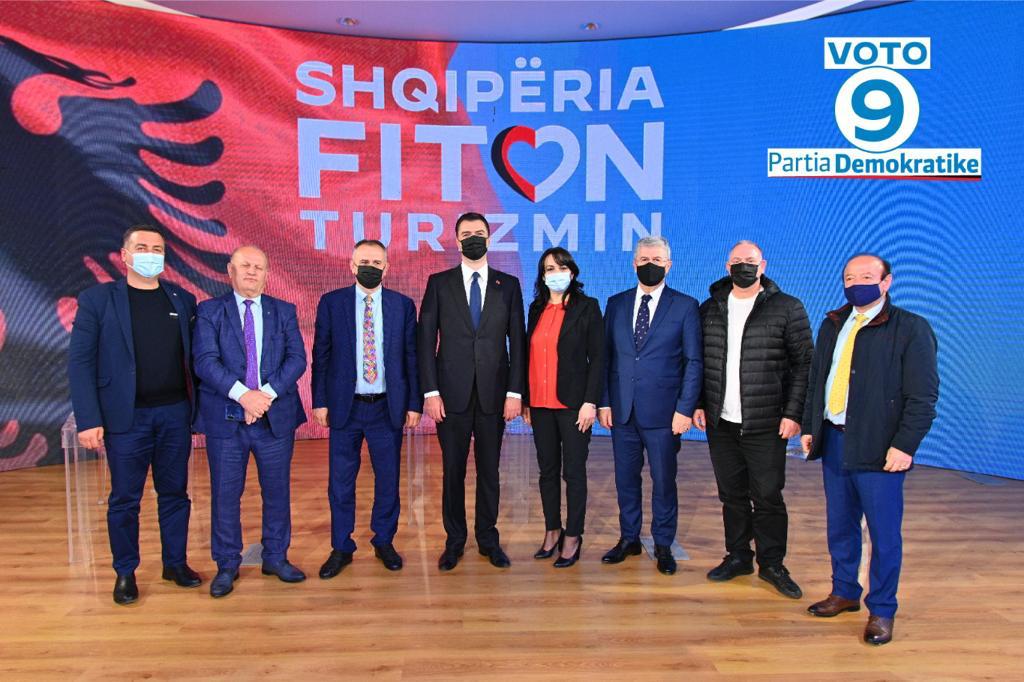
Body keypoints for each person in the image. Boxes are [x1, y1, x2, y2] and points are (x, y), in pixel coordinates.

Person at [801, 254, 938, 645]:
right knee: (840, 525)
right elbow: (818, 378)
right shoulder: (833, 323)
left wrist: (904, 445)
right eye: (849, 277)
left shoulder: (911, 328)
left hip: (880, 448)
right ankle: (844, 591)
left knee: (883, 533)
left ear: (886, 282)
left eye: (865, 276)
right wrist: (812, 426)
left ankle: (882, 609)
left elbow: (923, 396)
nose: (856, 283)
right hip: (834, 439)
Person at [68, 225, 201, 605]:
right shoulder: (97, 300)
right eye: (142, 247)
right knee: (125, 498)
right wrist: (89, 418)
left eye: (157, 249)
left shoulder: (183, 299)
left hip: (174, 414)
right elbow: (80, 362)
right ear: (125, 256)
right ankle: (125, 572)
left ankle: (175, 563)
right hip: (126, 420)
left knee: (175, 494)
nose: (150, 254)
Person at [693, 241, 813, 598]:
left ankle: (772, 563)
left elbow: (804, 364)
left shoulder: (787, 307)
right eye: (737, 261)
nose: (743, 266)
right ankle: (738, 556)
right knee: (731, 494)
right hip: (721, 422)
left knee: (767, 496)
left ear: (763, 265)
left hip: (767, 422)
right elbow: (699, 361)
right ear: (727, 266)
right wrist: (699, 403)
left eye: (750, 261)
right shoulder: (710, 308)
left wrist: (794, 413)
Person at [193, 245, 308, 598]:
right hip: (227, 420)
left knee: (277, 492)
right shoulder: (210, 311)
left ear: (267, 274)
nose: (252, 272)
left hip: (274, 419)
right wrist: (244, 396)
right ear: (230, 270)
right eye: (245, 265)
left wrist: (264, 396)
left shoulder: (284, 311)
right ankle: (227, 564)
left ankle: (275, 557)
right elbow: (205, 361)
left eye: (259, 267)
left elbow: (297, 359)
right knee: (226, 495)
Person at [418, 212, 526, 571]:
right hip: (450, 397)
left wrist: (515, 392)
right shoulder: (439, 283)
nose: (473, 238)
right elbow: (425, 341)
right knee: (452, 471)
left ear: (489, 239)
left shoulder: (508, 285)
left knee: (489, 471)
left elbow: (518, 342)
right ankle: (454, 541)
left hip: (495, 395)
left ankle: (488, 539)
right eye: (466, 234)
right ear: (456, 240)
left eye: (479, 233)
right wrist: (430, 392)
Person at [312, 239, 422, 578]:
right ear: (351, 265)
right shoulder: (332, 303)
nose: (370, 267)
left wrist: (413, 403)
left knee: (388, 480)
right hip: (345, 408)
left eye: (377, 263)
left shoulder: (402, 306)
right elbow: (321, 356)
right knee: (340, 483)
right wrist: (320, 400)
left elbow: (411, 357)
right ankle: (341, 546)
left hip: (386, 408)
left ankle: (384, 540)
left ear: (387, 268)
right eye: (364, 262)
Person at [598, 236, 703, 575]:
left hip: (665, 414)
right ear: (634, 263)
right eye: (644, 259)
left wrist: (684, 409)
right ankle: (629, 538)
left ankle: (663, 544)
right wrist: (604, 402)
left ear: (668, 265)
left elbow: (693, 362)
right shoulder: (616, 303)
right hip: (623, 410)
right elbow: (605, 358)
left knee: (663, 481)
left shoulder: (685, 306)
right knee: (625, 480)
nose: (650, 264)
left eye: (657, 259)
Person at [522, 247, 604, 568]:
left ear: (572, 271)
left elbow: (598, 358)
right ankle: (552, 530)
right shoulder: (536, 308)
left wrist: (590, 402)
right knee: (547, 471)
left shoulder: (587, 307)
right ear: (542, 276)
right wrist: (526, 400)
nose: (555, 273)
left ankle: (573, 535)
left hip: (573, 405)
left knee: (574, 472)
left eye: (560, 267)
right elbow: (527, 355)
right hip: (540, 404)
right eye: (548, 268)